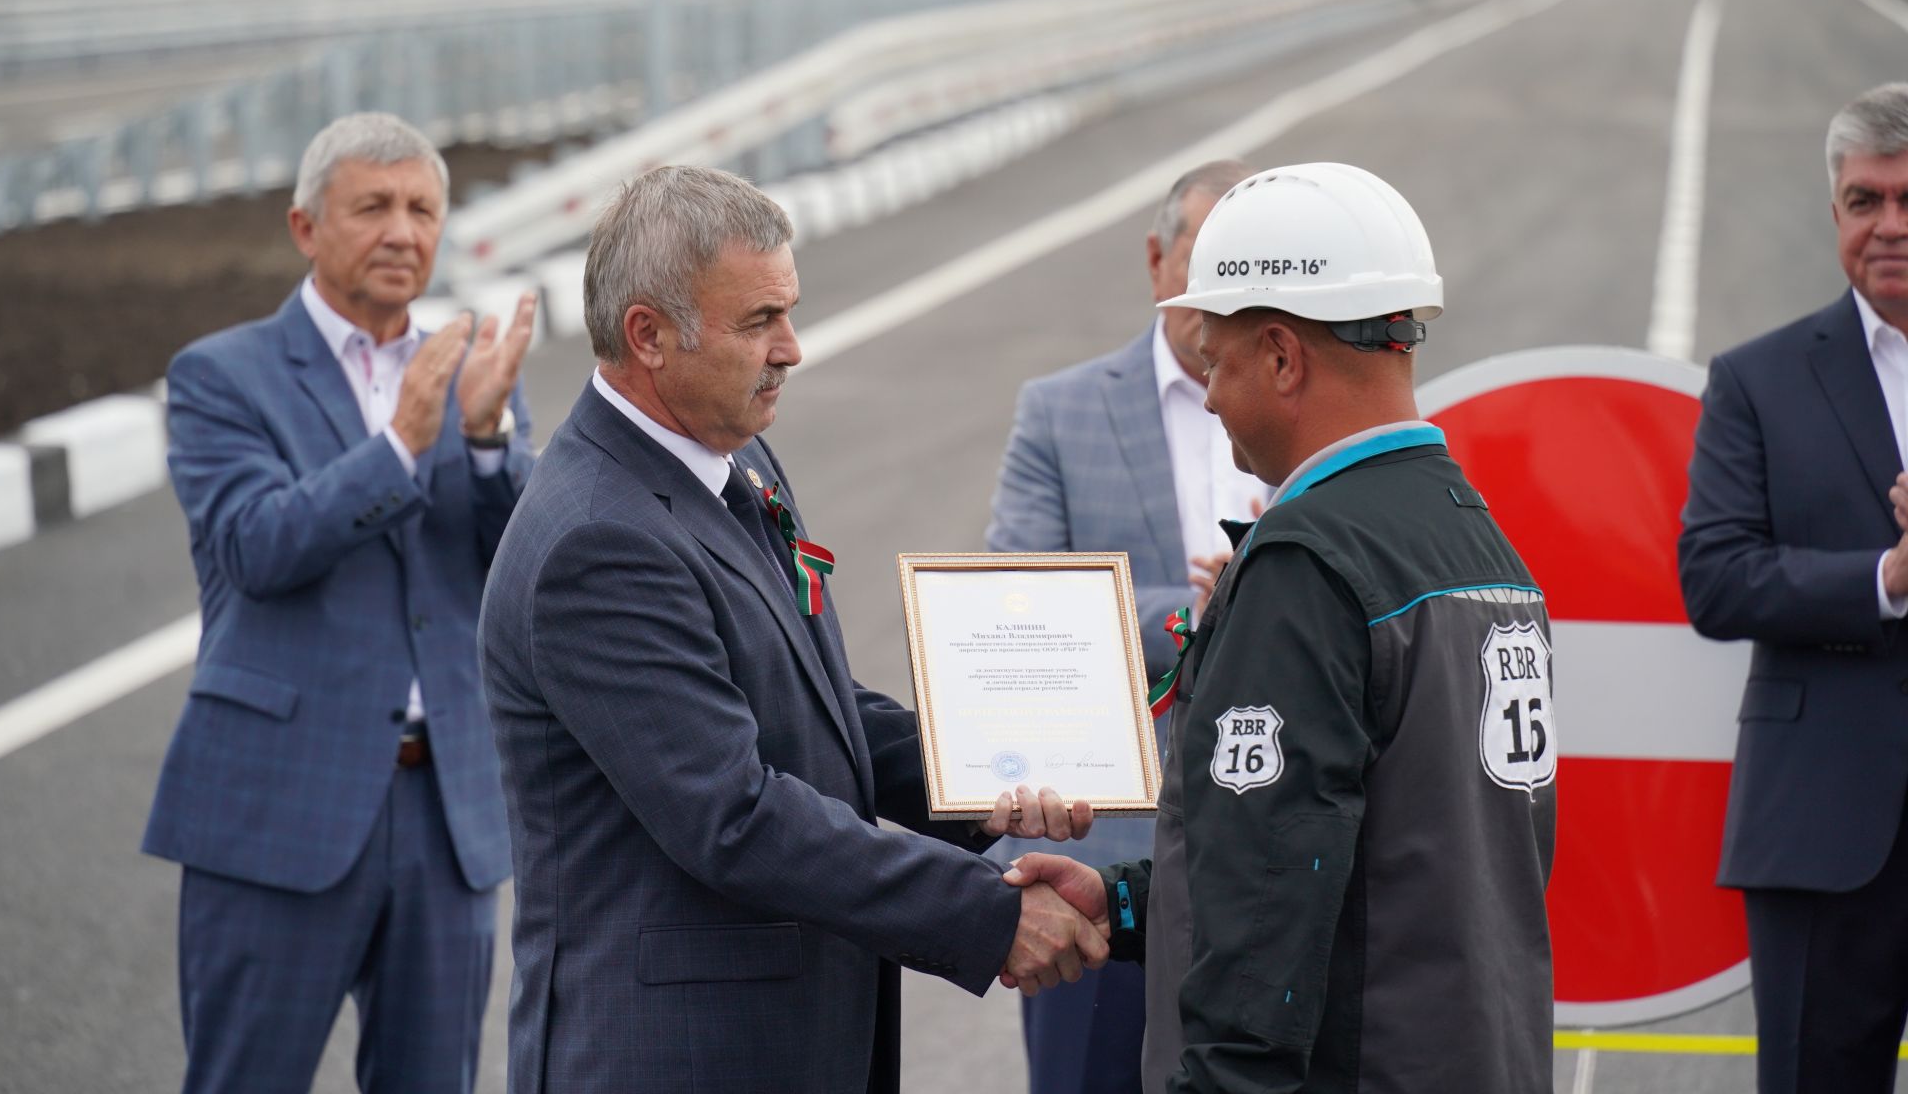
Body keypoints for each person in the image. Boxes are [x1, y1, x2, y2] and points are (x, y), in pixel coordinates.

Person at [478, 164, 1108, 1094]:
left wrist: (989, 775)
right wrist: (987, 914)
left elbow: (815, 702)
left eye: (790, 312)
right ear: (648, 335)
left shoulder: (731, 456)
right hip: (677, 1057)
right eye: (758, 321)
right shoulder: (598, 541)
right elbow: (733, 816)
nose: (793, 348)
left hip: (784, 1039)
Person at [1005, 163, 1558, 1092]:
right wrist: (1127, 902)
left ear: (1282, 357)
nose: (1211, 396)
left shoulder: (1305, 565)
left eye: (1216, 362)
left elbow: (1265, 920)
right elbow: (1380, 848)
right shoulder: (1477, 541)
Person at [141, 111, 538, 1094]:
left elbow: (520, 577)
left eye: (422, 209)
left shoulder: (470, 373)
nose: (403, 230)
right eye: (373, 206)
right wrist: (401, 445)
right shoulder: (219, 376)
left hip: (445, 810)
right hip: (280, 801)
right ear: (306, 227)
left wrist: (488, 440)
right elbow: (256, 545)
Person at [985, 159, 1266, 1094]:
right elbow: (1018, 605)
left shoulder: (1308, 410)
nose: (1229, 291)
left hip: (1274, 856)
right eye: (1208, 259)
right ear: (1157, 261)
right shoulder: (1061, 412)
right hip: (1099, 859)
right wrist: (1197, 615)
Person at [1680, 81, 1908, 1094]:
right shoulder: (1758, 379)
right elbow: (1715, 577)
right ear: (1834, 213)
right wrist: (1887, 576)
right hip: (1823, 833)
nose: (1890, 226)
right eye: (1866, 200)